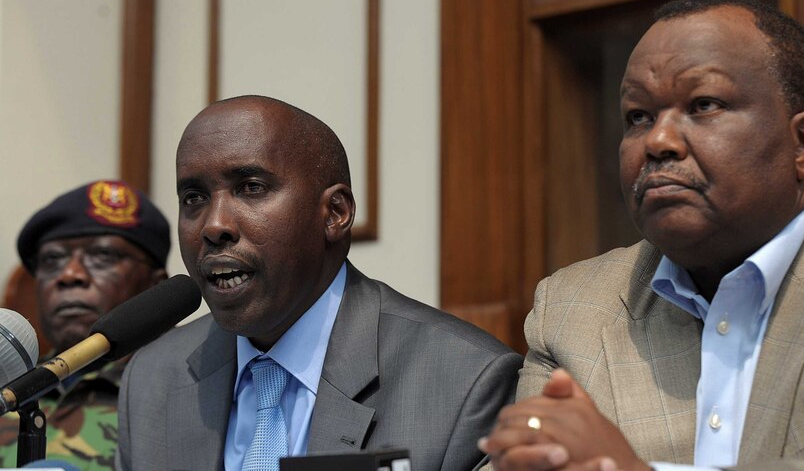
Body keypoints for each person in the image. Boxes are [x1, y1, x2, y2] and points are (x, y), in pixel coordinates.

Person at [480, 0, 804, 471]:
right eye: (638, 117)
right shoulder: (572, 309)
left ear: (803, 142)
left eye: (703, 105)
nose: (658, 141)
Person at [116, 95, 522, 471]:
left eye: (251, 188)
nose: (215, 225)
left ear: (335, 213)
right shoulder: (153, 379)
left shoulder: (465, 381)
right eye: (194, 198)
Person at [0, 180, 170, 470]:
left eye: (102, 256)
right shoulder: (10, 391)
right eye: (52, 259)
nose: (69, 274)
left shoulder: (189, 388)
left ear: (155, 286)